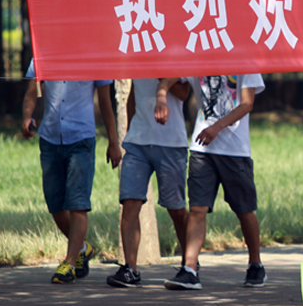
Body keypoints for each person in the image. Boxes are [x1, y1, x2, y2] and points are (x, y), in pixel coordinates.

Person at [156, 74, 266, 290]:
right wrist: (161, 96)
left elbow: (247, 104)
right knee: (197, 209)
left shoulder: (246, 63)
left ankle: (256, 264)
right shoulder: (199, 57)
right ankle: (190, 269)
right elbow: (169, 79)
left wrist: (217, 127)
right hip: (202, 148)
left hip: (235, 151)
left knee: (244, 209)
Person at [20, 59, 122, 284]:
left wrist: (113, 142)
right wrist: (27, 117)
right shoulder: (42, 53)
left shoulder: (94, 56)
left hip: (81, 139)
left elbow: (105, 102)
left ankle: (70, 262)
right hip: (49, 138)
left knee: (78, 204)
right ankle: (83, 248)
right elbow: (32, 92)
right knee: (55, 205)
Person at [106, 78, 191, 287]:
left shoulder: (177, 61)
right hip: (137, 143)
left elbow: (184, 93)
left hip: (171, 143)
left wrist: (160, 75)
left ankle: (190, 264)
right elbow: (133, 96)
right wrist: (131, 131)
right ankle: (130, 269)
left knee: (176, 209)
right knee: (129, 204)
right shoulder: (139, 60)